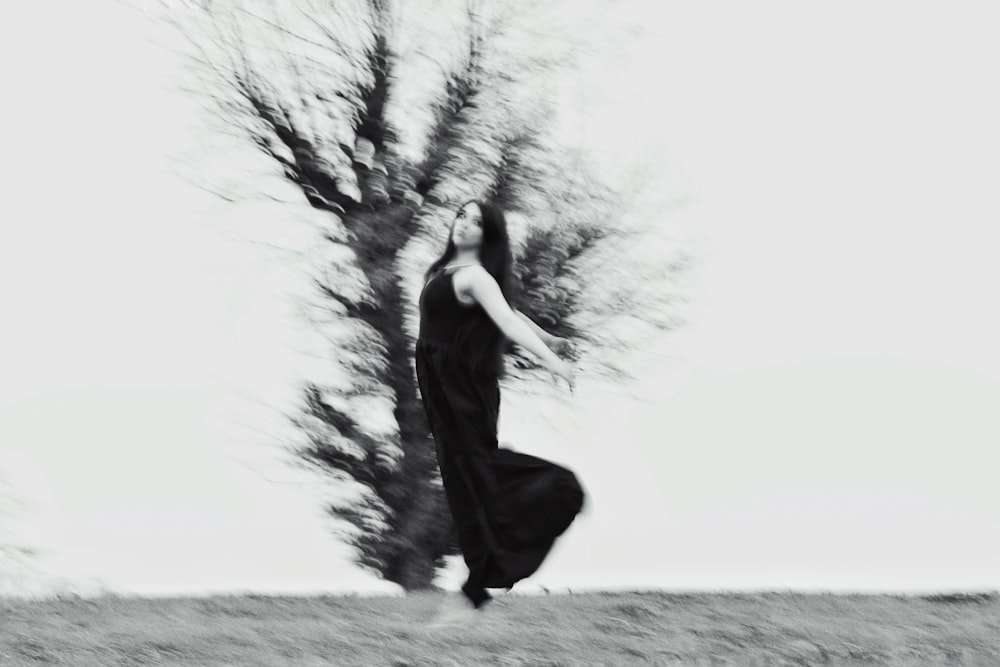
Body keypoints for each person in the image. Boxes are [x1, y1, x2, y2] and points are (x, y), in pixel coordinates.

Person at [415, 200, 586, 625]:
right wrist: (551, 336)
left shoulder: (474, 276)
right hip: (442, 386)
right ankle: (476, 586)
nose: (465, 225)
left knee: (477, 471)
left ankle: (558, 491)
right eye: (462, 216)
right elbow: (510, 314)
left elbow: (507, 323)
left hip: (463, 388)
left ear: (487, 235)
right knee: (463, 479)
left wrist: (552, 360)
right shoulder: (443, 271)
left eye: (476, 222)